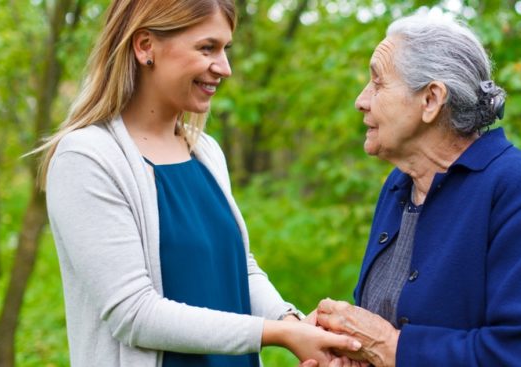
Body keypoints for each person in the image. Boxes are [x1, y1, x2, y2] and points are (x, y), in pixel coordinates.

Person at [36, 1, 362, 366]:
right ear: (145, 46)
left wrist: (294, 322)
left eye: (226, 49)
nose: (224, 68)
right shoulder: (87, 158)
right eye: (207, 48)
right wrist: (277, 334)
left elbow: (239, 267)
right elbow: (134, 313)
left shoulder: (205, 152)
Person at [312, 13, 521, 367]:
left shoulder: (520, 193)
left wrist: (392, 347)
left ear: (431, 100)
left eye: (378, 84)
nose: (361, 100)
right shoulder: (399, 186)